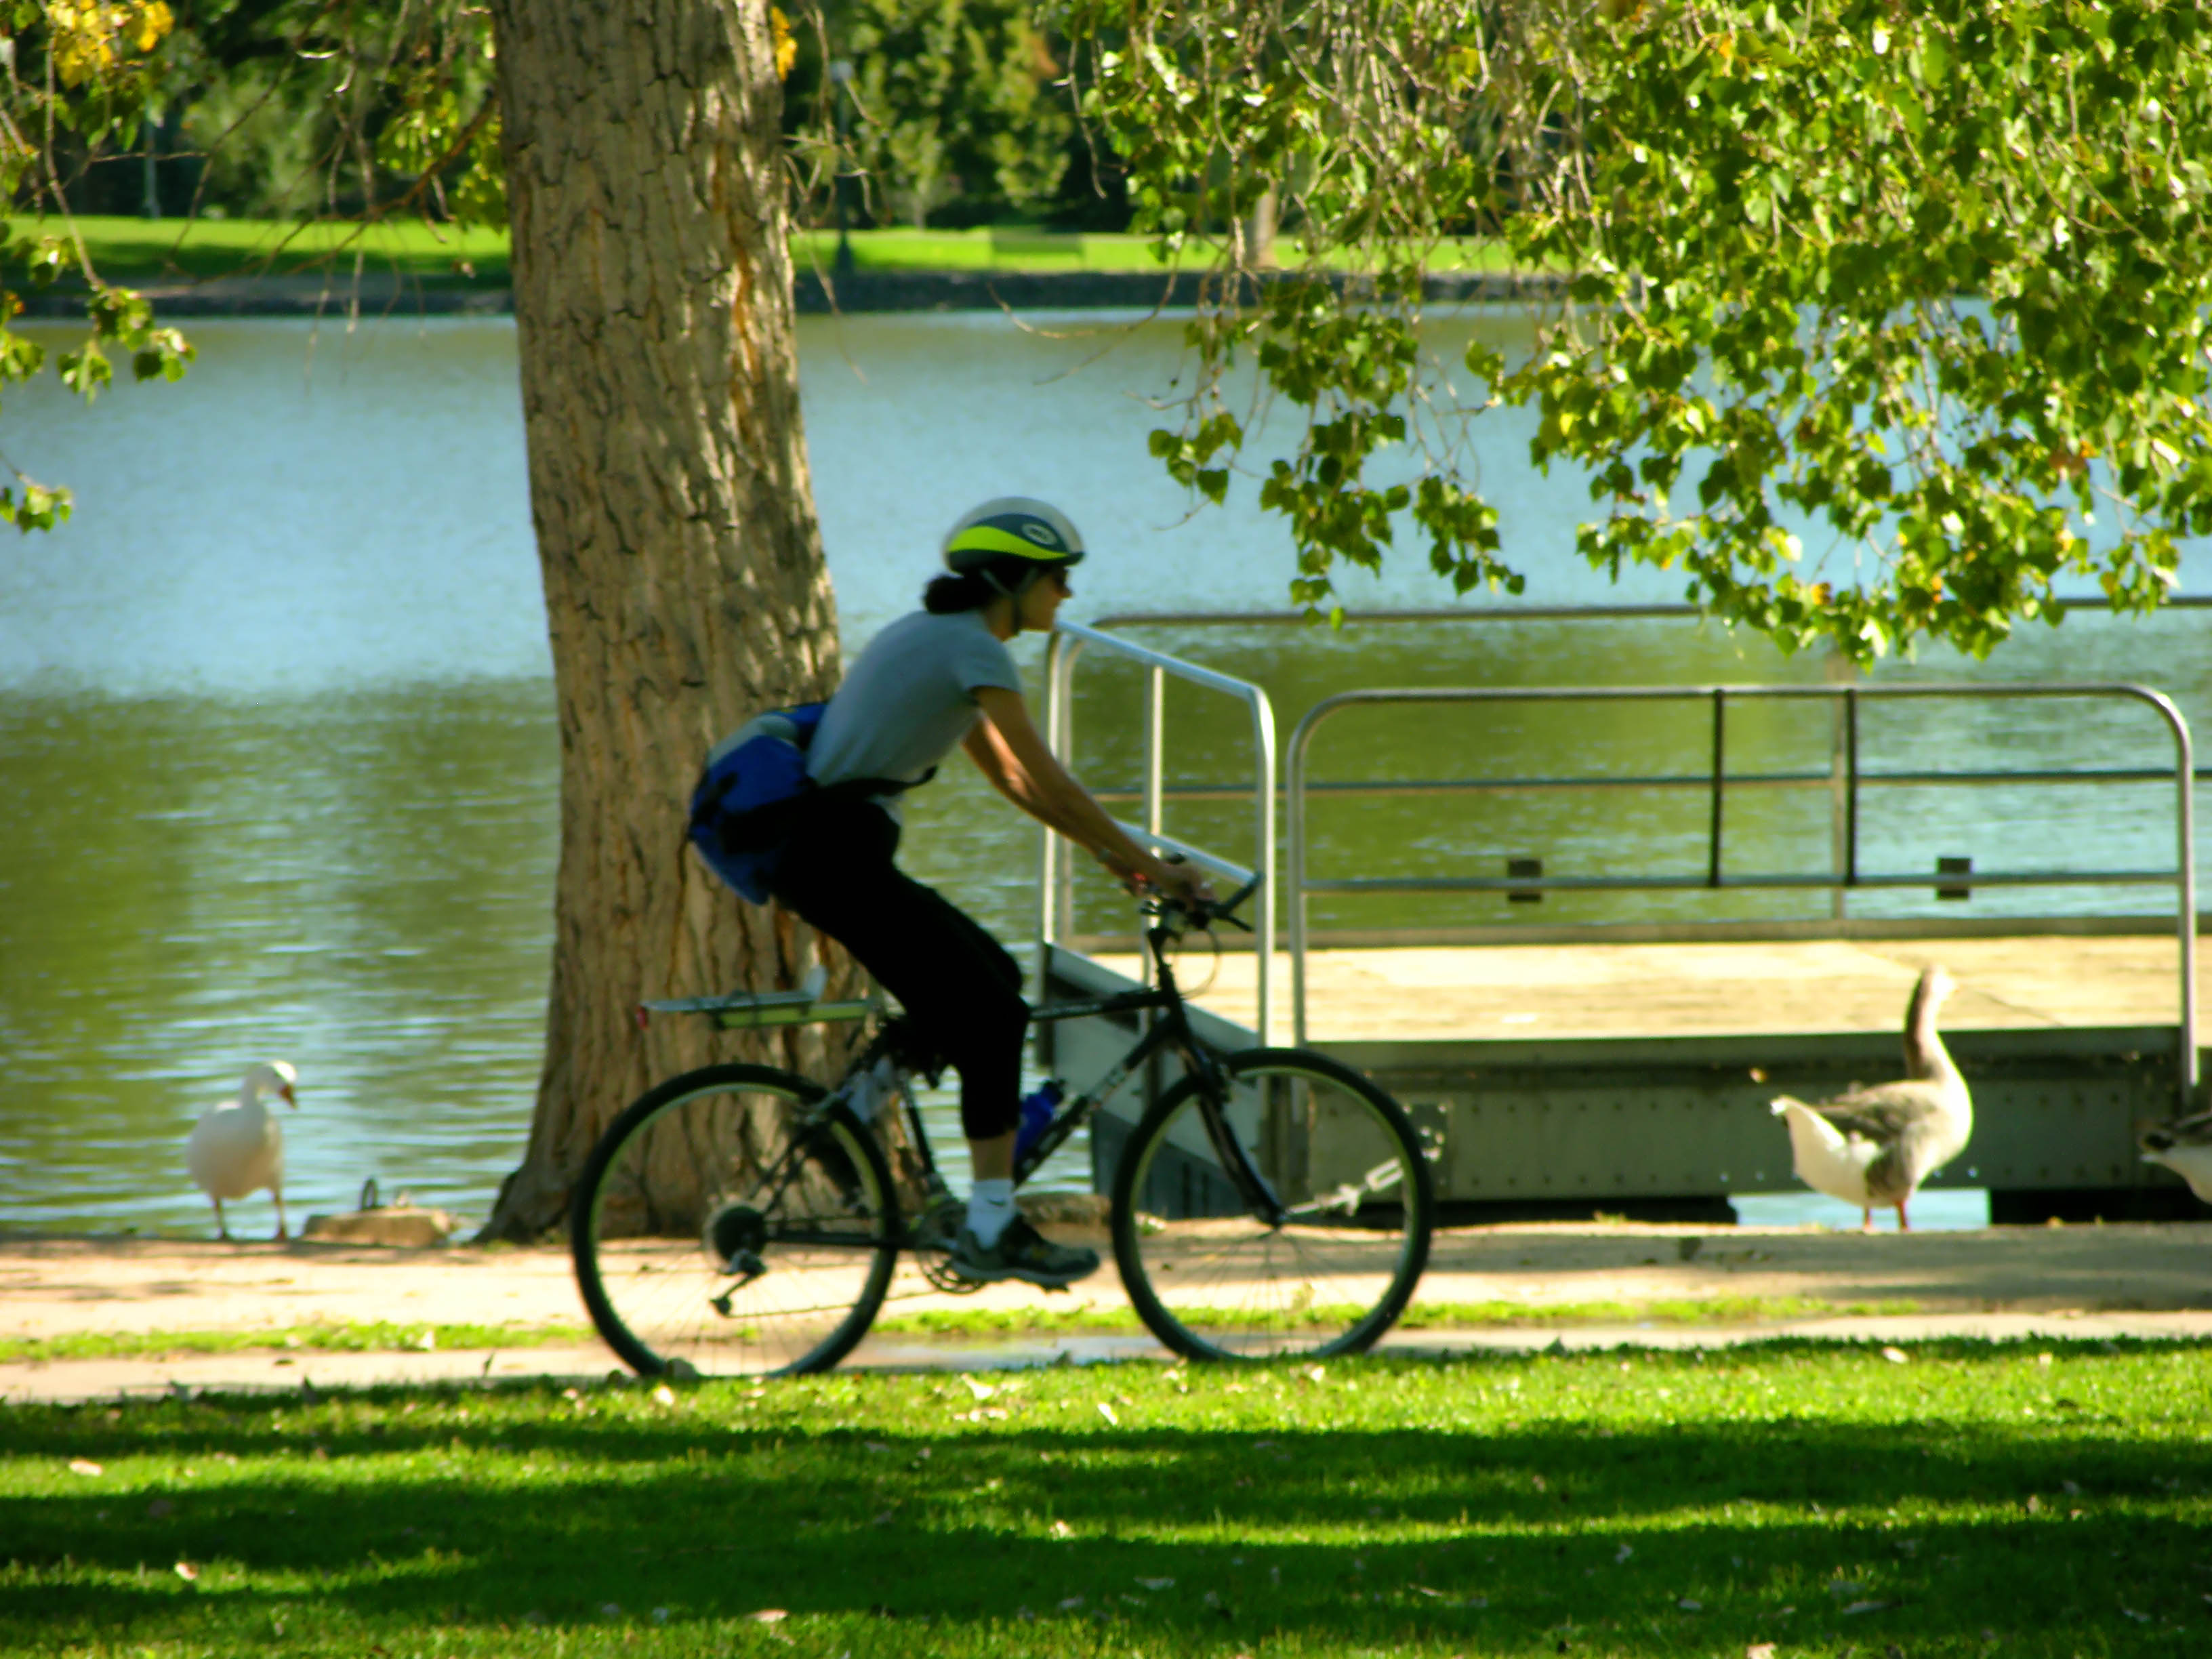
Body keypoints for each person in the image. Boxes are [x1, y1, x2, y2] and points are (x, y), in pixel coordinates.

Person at [766, 497, 1210, 1287]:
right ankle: (992, 1226)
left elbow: (1008, 779)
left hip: (833, 852)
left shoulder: (940, 640)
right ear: (1011, 582)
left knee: (994, 983)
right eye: (1057, 579)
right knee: (996, 1017)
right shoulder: (976, 651)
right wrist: (1150, 862)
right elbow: (1051, 780)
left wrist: (1119, 865)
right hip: (837, 856)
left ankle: (853, 1117)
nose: (1067, 595)